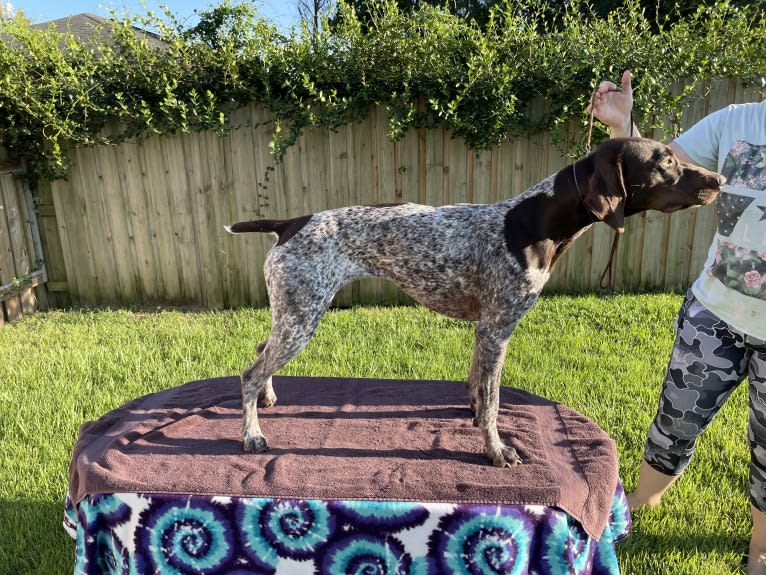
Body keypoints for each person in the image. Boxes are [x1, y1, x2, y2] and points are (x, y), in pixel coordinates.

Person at [589, 70, 766, 574]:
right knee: (674, 422)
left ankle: (761, 547)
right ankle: (642, 506)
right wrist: (623, 125)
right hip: (715, 314)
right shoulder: (737, 121)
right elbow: (662, 169)